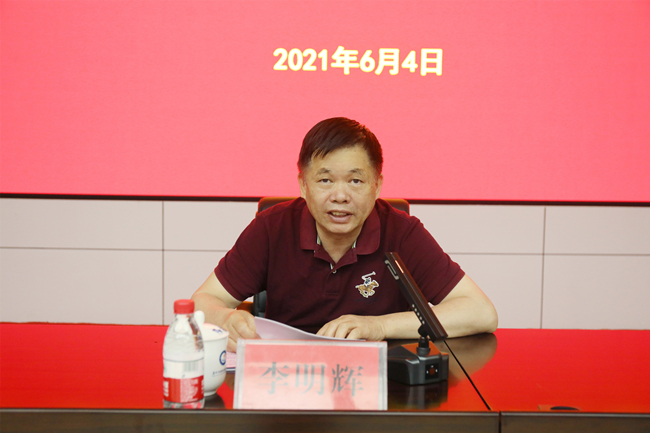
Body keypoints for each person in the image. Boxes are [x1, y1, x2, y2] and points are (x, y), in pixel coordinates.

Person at [193, 117, 498, 352]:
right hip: (287, 379)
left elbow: (481, 312)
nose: (340, 196)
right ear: (303, 185)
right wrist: (226, 318)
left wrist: (378, 327)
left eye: (355, 181)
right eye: (325, 180)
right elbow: (202, 301)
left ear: (377, 186)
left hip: (379, 385)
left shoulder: (402, 232)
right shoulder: (271, 228)